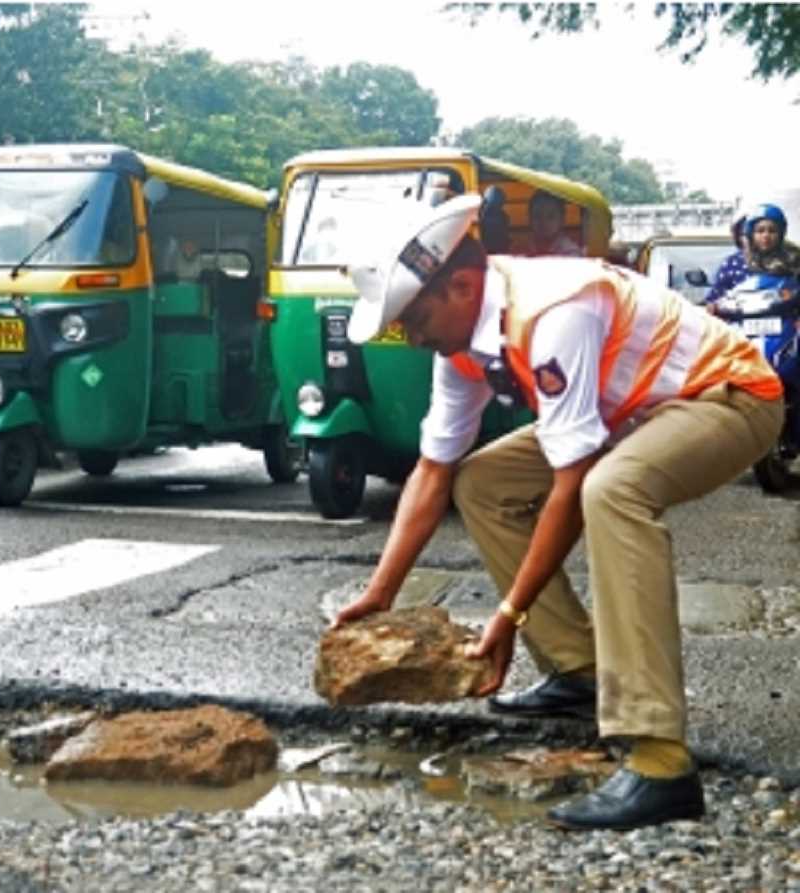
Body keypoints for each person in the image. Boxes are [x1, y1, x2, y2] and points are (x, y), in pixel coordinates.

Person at [336, 195, 783, 831]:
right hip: (635, 411)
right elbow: (433, 471)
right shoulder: (461, 344)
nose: (411, 337)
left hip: (729, 397)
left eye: (414, 319)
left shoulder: (554, 311)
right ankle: (578, 671)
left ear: (462, 286)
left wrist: (509, 614)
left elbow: (570, 487)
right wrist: (378, 596)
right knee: (482, 480)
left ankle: (659, 760)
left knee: (612, 490)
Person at [703, 211, 750, 305]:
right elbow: (715, 298)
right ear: (739, 237)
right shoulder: (731, 263)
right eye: (745, 234)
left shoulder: (781, 262)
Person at [525, 189, 583, 257]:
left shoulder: (571, 254)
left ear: (562, 220)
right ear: (529, 219)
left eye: (551, 217)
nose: (543, 222)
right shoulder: (524, 252)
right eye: (537, 216)